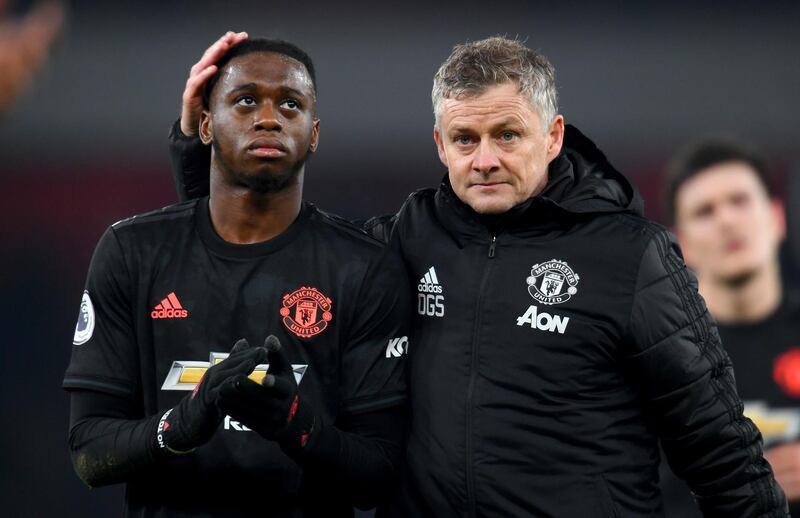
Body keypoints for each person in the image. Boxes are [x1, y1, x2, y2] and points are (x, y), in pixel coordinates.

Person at [169, 35, 788, 516]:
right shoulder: (409, 236)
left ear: (552, 137)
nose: (484, 159)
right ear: (439, 143)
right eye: (464, 139)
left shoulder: (634, 256)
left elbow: (721, 452)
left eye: (506, 135)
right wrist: (198, 147)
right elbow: (272, 258)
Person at [64, 37, 412, 518]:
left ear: (313, 134)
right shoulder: (132, 252)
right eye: (246, 100)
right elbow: (88, 452)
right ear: (204, 125)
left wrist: (294, 423)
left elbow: (379, 474)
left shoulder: (362, 268)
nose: (268, 117)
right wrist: (183, 424)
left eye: (290, 104)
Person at [660, 138, 800, 517]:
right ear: (681, 244)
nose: (726, 220)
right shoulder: (658, 359)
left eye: (740, 201)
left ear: (776, 218)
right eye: (705, 211)